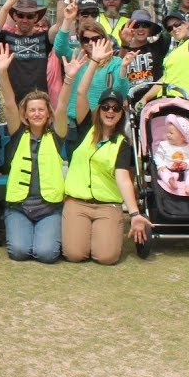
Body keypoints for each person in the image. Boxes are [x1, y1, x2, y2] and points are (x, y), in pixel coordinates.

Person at [61, 40, 147, 265]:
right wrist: (94, 62)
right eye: (106, 107)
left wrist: (135, 213)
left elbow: (123, 179)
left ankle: (102, 231)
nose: (110, 111)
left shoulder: (122, 143)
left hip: (107, 204)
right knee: (75, 254)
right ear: (98, 109)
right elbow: (81, 91)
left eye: (116, 108)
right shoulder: (85, 129)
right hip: (77, 202)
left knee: (106, 257)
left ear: (121, 114)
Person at [0, 43, 77, 264]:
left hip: (49, 208)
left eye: (41, 109)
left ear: (47, 113)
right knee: (19, 252)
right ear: (26, 114)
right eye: (32, 110)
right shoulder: (17, 133)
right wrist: (2, 71)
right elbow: (10, 104)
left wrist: (68, 79)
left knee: (46, 254)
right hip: (19, 207)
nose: (37, 113)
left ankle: (44, 234)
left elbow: (62, 106)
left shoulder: (56, 134)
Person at [0, 0, 70, 100]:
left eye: (30, 16)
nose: (25, 19)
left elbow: (59, 24)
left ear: (36, 17)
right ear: (14, 16)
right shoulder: (5, 37)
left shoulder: (43, 38)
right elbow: (3, 14)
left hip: (38, 102)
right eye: (20, 15)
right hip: (12, 101)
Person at [153, 114, 189, 196]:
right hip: (168, 168)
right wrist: (161, 166)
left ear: (183, 137)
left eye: (171, 133)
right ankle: (170, 181)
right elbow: (158, 156)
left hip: (185, 169)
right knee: (162, 171)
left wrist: (187, 164)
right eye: (167, 132)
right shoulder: (164, 145)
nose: (168, 135)